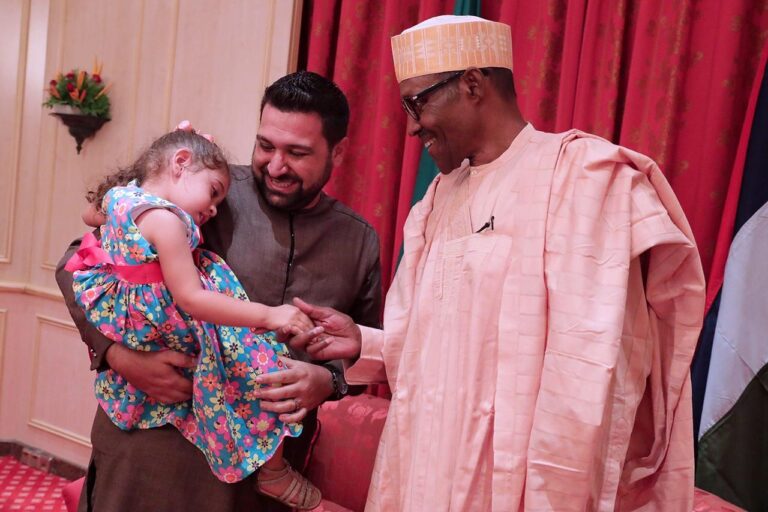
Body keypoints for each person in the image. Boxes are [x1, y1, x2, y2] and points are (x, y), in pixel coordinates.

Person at [291, 15, 706, 511]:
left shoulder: (585, 179)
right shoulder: (437, 200)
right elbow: (435, 347)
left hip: (520, 482)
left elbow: (596, 367)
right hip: (426, 466)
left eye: (417, 103)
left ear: (472, 83)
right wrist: (365, 343)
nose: (411, 126)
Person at [55, 71, 382, 512]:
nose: (276, 166)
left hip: (262, 475)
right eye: (265, 146)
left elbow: (361, 348)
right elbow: (79, 262)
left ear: (337, 152)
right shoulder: (209, 194)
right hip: (155, 449)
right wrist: (117, 355)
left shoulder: (357, 241)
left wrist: (327, 381)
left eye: (298, 153)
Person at [65, 129, 322, 509]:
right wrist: (270, 315)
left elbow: (90, 216)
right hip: (171, 315)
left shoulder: (121, 197)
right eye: (214, 191)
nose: (214, 209)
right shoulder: (167, 221)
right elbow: (191, 298)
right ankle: (272, 470)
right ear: (181, 163)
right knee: (260, 365)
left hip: (128, 317)